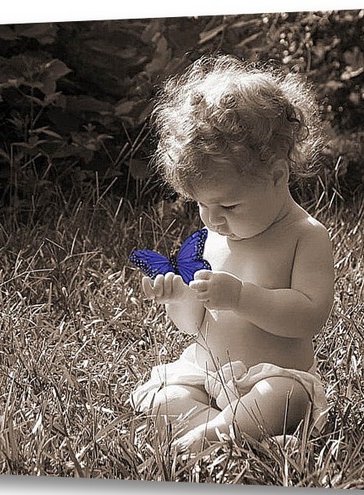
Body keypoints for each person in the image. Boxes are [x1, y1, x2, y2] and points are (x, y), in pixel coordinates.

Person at [130, 55, 334, 452]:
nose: (212, 218)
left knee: (285, 399)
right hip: (207, 375)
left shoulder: (305, 236)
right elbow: (193, 324)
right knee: (161, 398)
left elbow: (310, 316)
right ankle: (227, 435)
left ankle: (210, 435)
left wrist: (242, 297)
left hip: (272, 378)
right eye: (201, 205)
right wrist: (179, 297)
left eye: (229, 205)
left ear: (277, 175)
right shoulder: (213, 234)